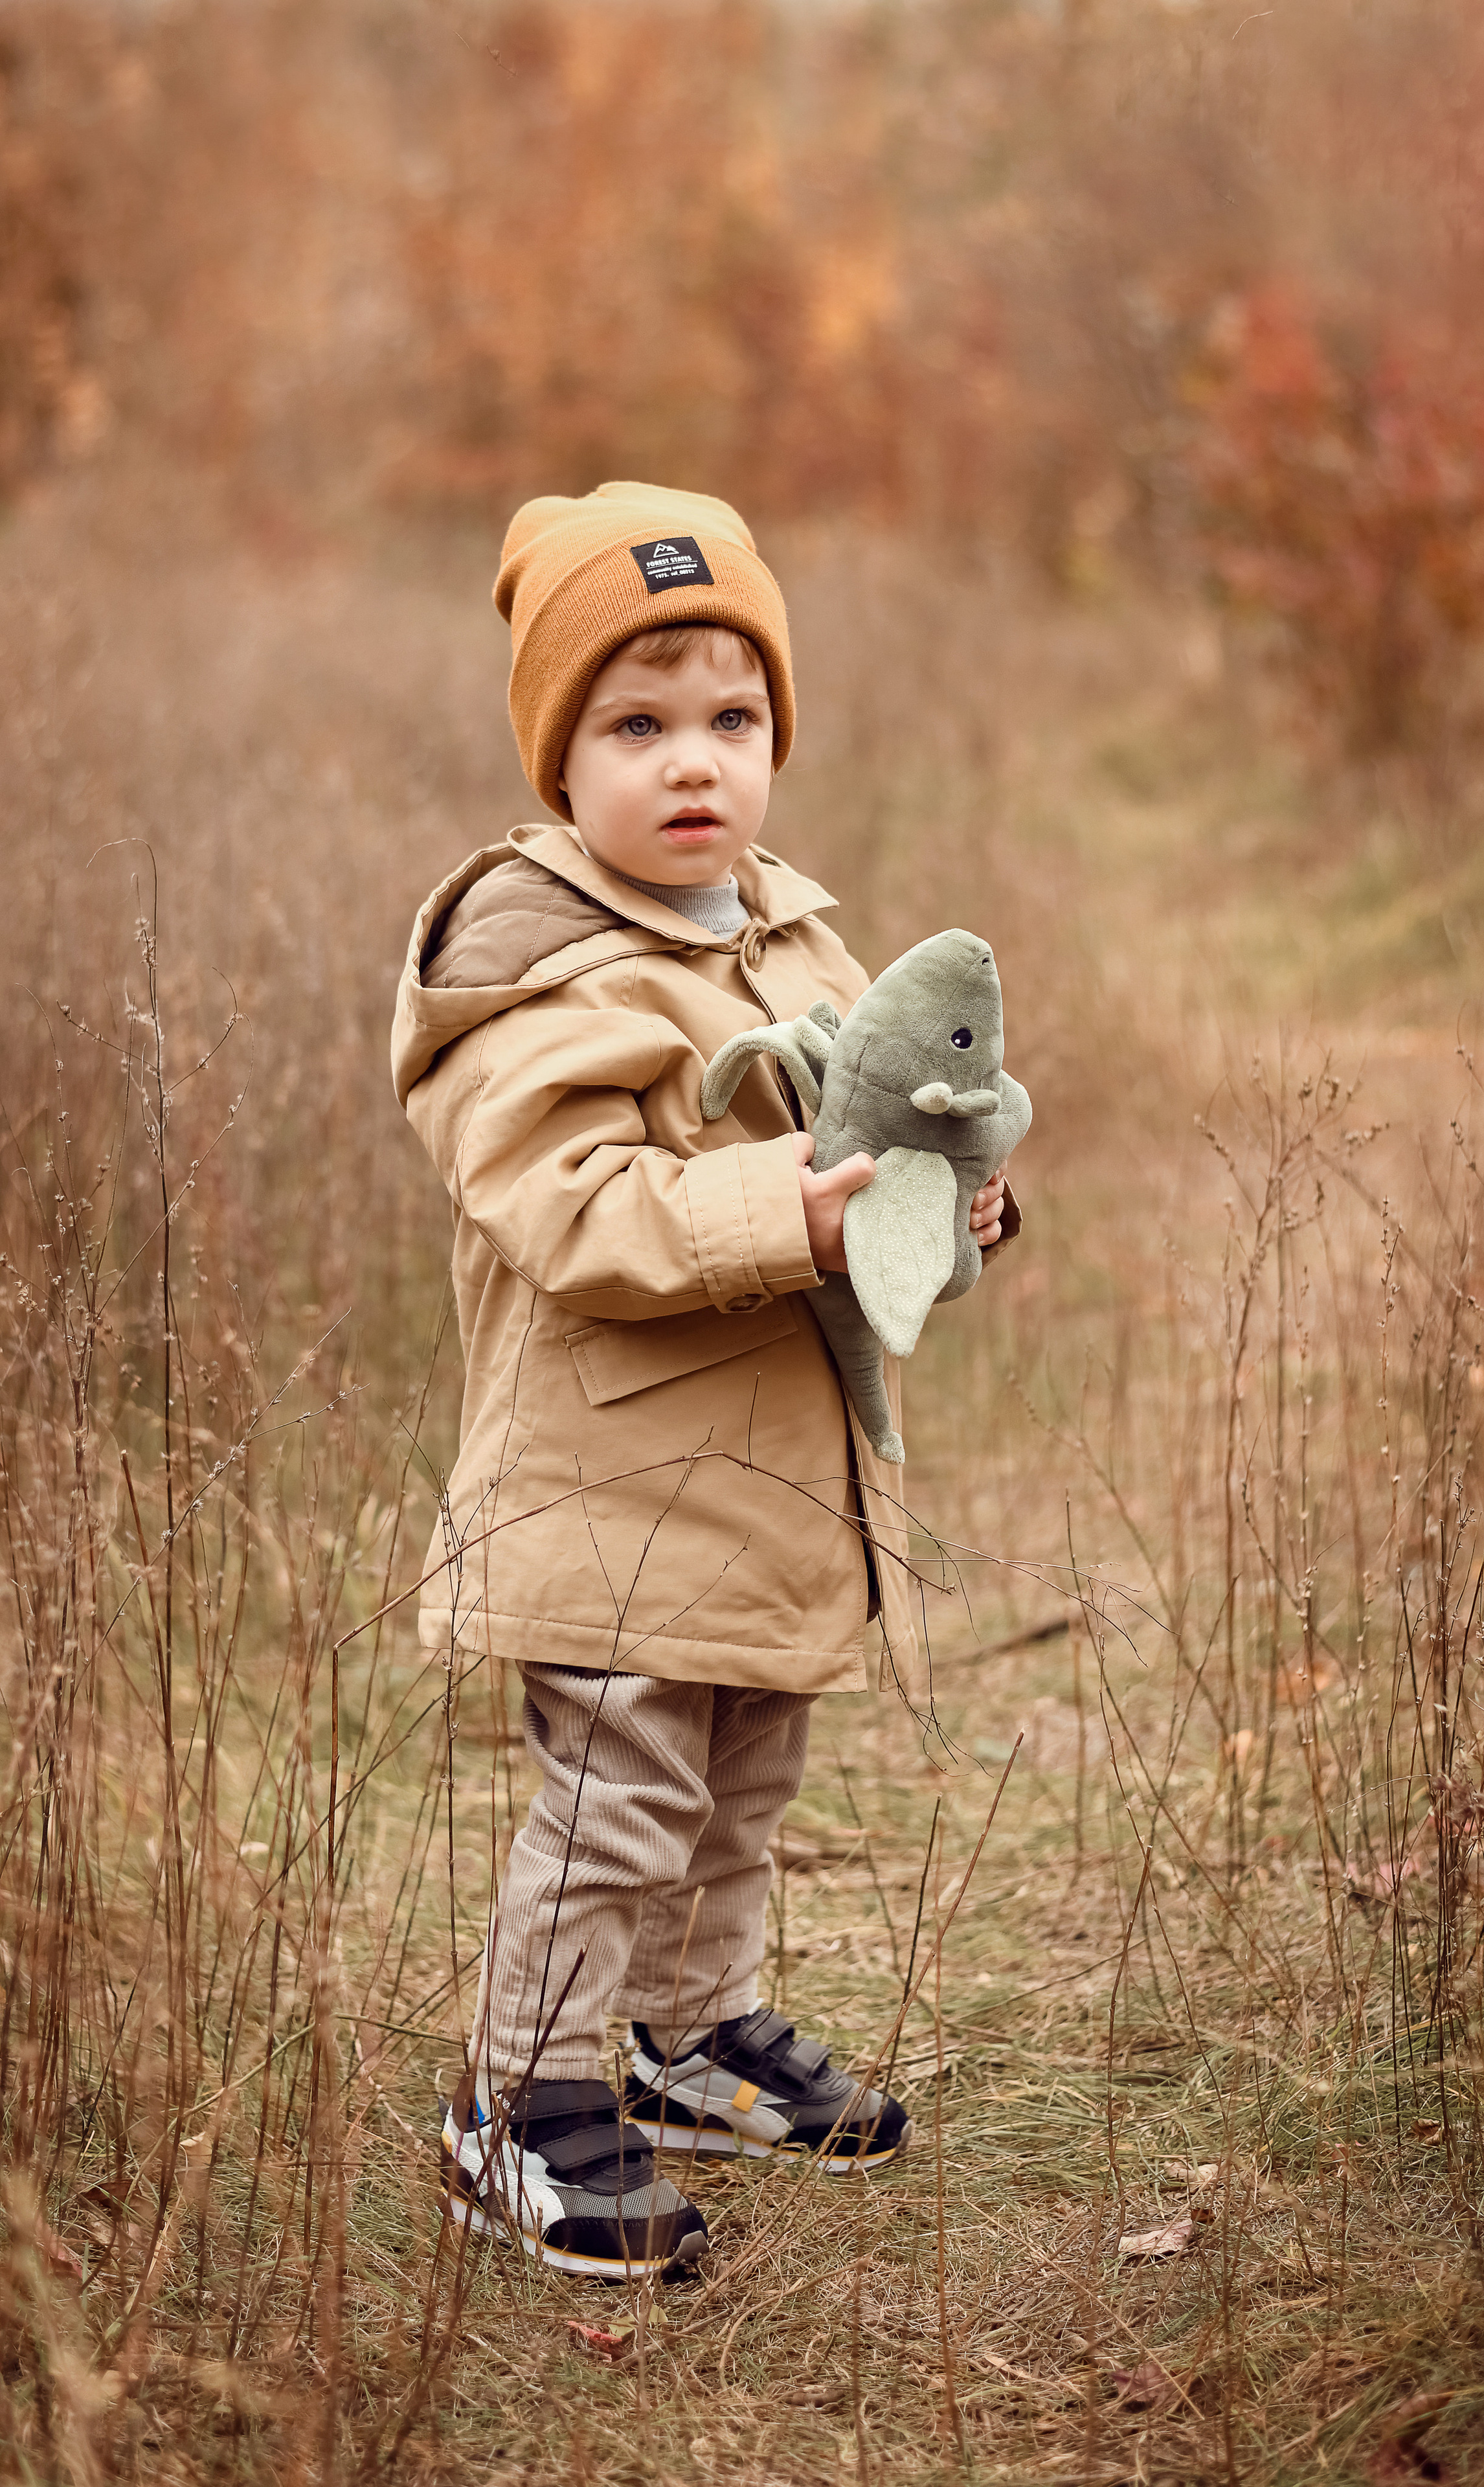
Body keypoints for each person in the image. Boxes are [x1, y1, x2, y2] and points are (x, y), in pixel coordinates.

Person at [390, 482, 1016, 2280]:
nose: (696, 767)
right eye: (638, 724)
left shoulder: (793, 936)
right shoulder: (531, 977)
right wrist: (796, 1218)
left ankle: (687, 2035)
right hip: (614, 1493)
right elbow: (574, 1212)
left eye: (732, 723)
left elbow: (880, 1125)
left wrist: (953, 1196)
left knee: (744, 1778)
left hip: (764, 1490)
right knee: (624, 1800)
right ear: (557, 755)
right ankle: (520, 2096)